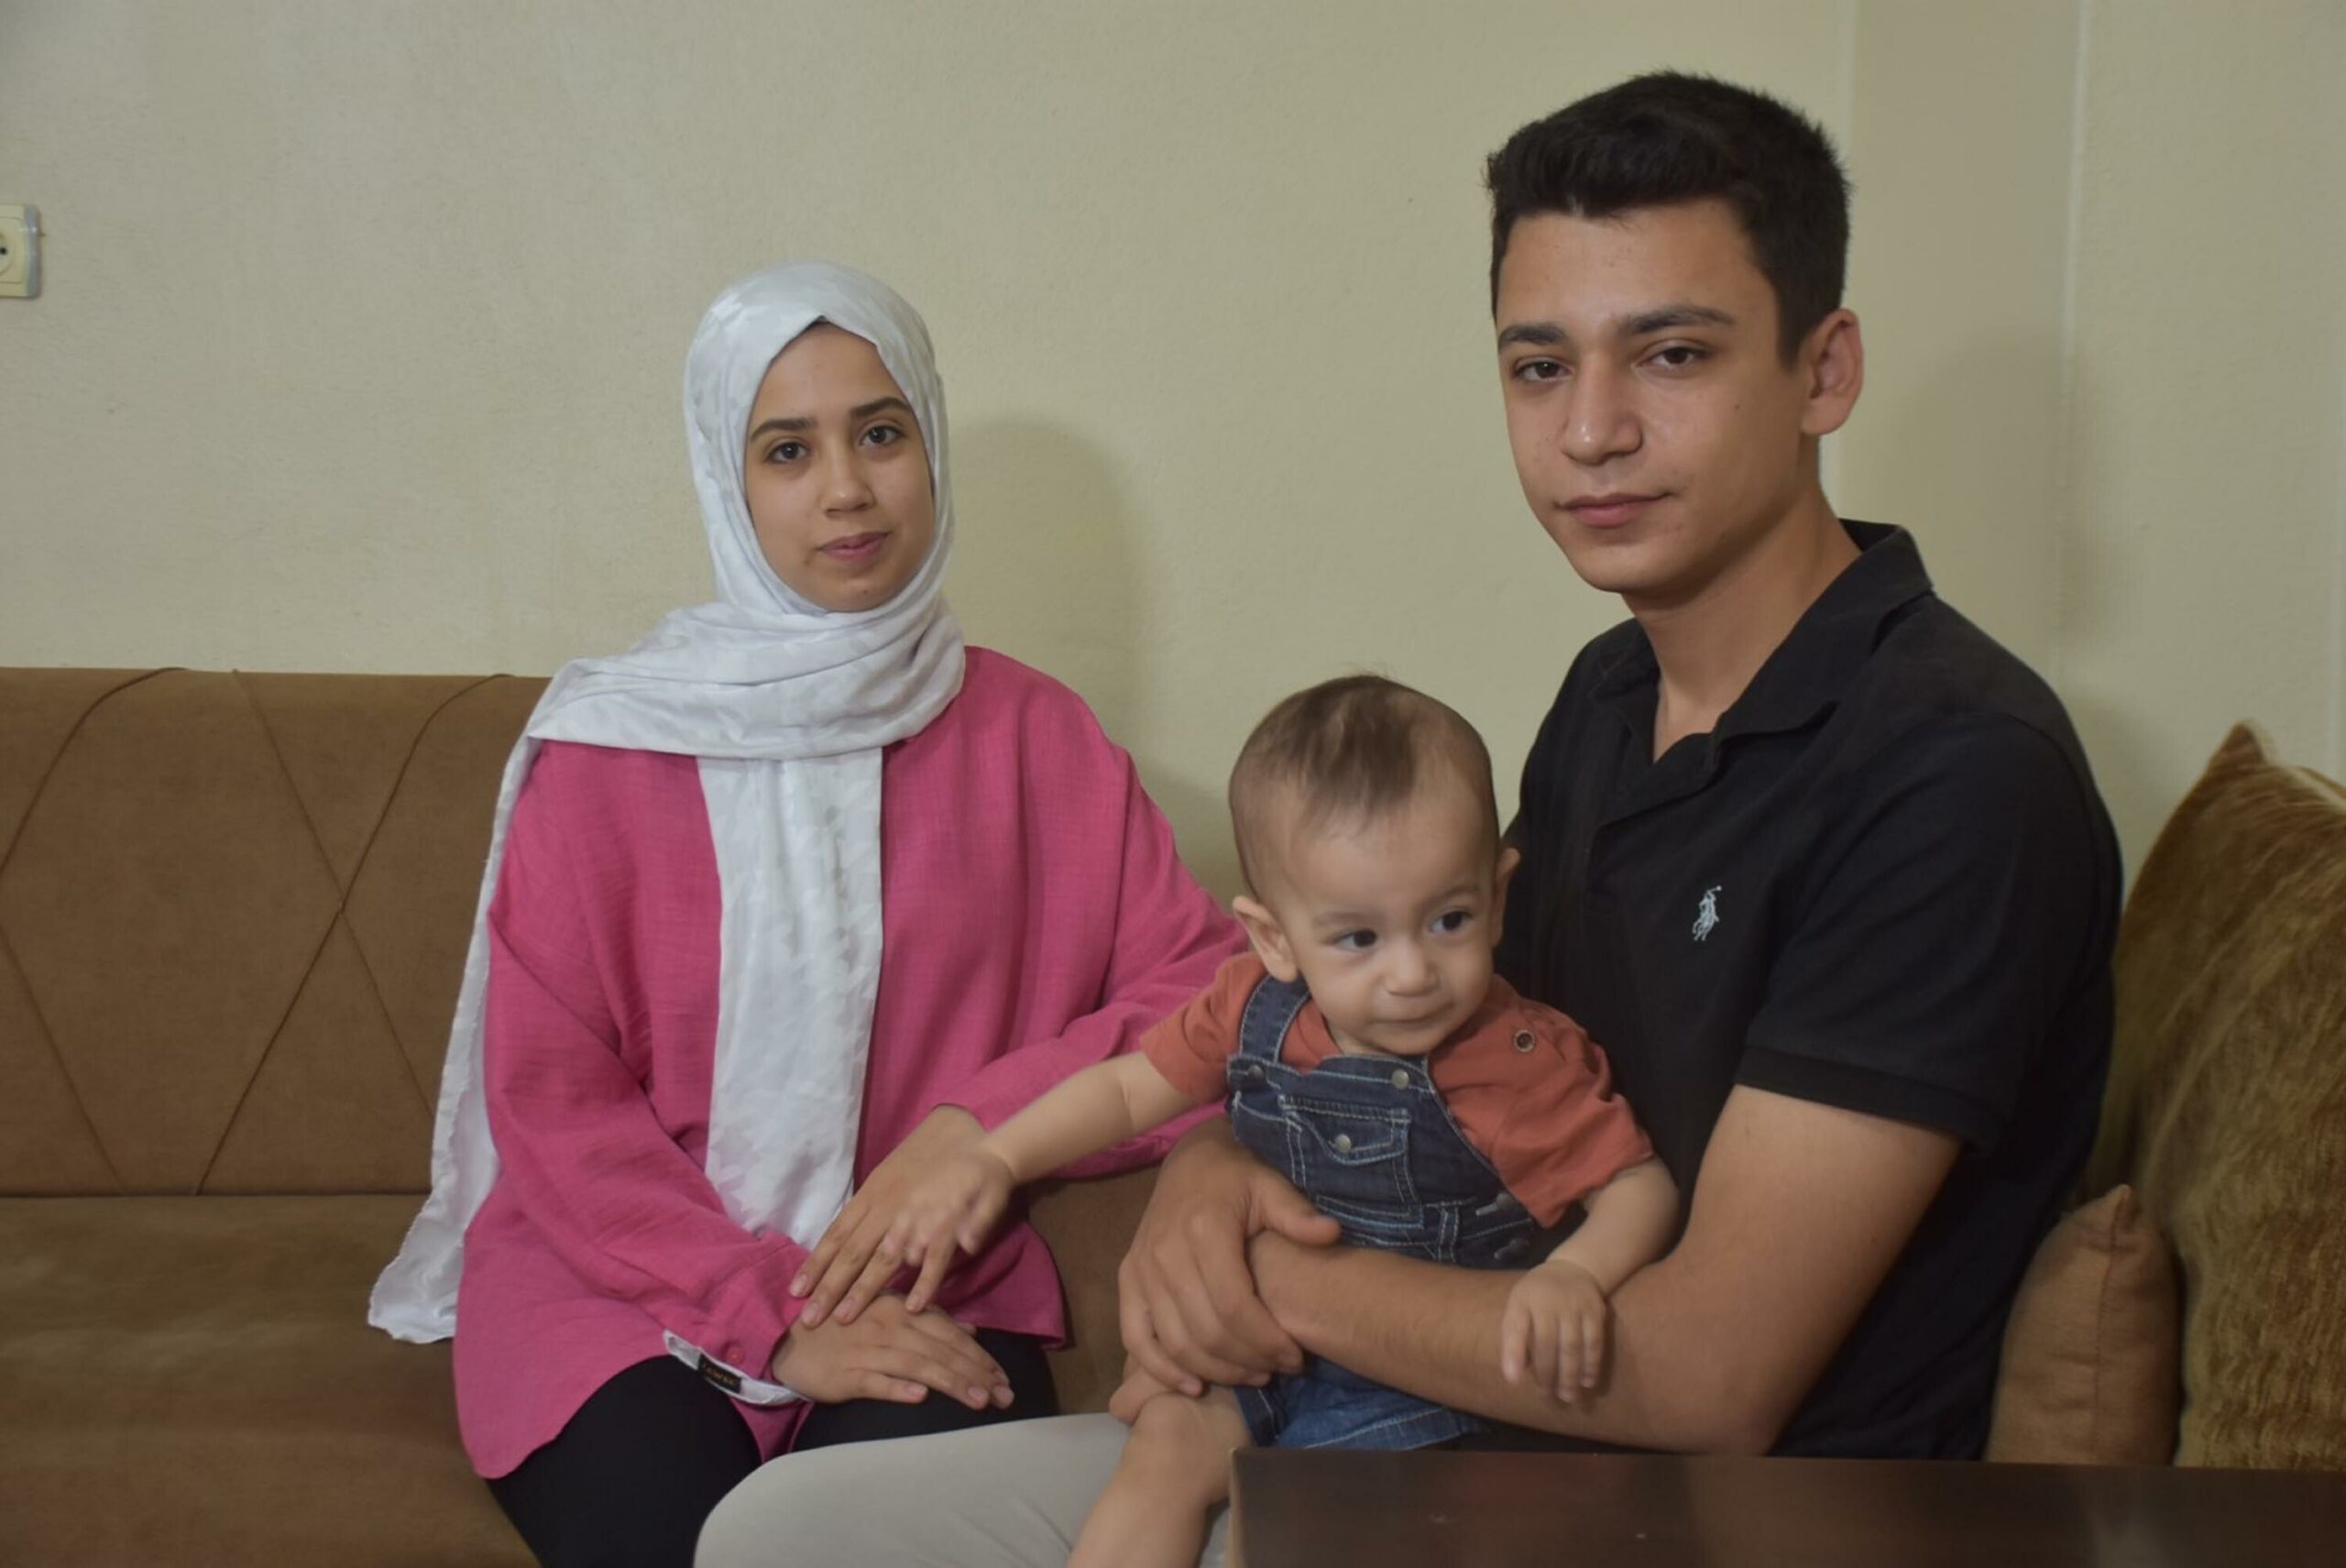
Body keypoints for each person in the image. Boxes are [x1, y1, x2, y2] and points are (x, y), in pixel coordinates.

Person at [696, 72, 2120, 1568]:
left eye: (1673, 354)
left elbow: (1709, 1378)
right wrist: (1210, 1175)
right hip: (1421, 1420)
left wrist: (1263, 1272)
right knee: (787, 1532)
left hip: (1702, 1509)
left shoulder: (1953, 774)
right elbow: (1443, 1052)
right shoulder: (1613, 693)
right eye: (1539, 366)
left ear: (1824, 371)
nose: (1593, 430)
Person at [362, 261, 1242, 1568]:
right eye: (787, 449)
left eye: (880, 433)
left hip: (921, 1277)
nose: (845, 488)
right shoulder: (610, 749)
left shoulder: (1032, 735)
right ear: (726, 478)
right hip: (621, 1286)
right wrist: (768, 1310)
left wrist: (979, 1127)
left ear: (928, 446)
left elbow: (1212, 997)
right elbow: (556, 1106)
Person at [789, 674, 1674, 1567]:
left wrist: (1576, 1275)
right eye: (1359, 938)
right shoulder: (1253, 1005)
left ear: (1497, 894)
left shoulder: (1515, 1062)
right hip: (1258, 1347)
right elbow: (1127, 1089)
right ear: (1274, 937)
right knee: (1162, 1455)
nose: (1411, 973)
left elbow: (1636, 1183)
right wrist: (998, 1156)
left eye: (1448, 919)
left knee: (1285, 1524)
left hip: (1419, 1386)